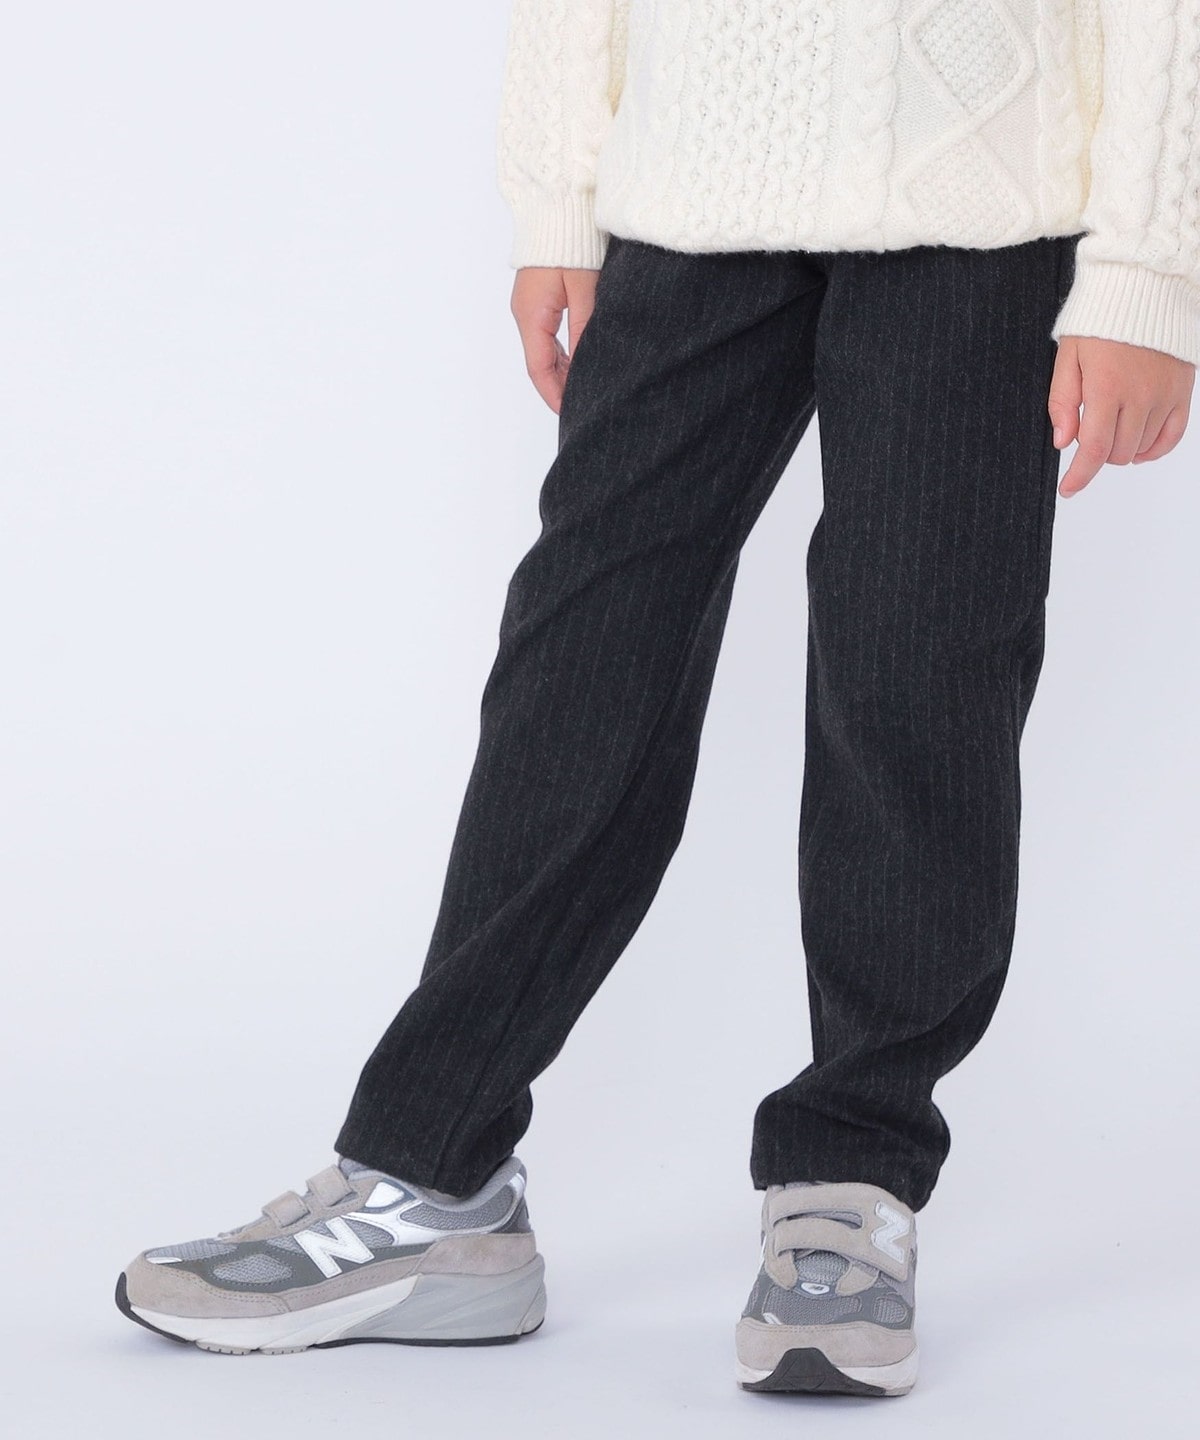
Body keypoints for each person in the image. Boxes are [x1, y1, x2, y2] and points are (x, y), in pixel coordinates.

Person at [115, 1, 1198, 1397]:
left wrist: (1150, 271)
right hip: (692, 175)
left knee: (917, 674)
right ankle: (432, 1182)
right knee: (583, 657)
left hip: (988, 194)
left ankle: (850, 1183)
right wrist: (559, 198)